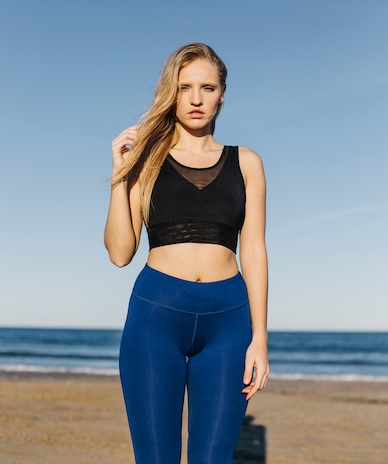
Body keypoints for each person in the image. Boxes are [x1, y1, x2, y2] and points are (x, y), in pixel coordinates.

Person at [104, 43, 269, 464]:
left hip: (228, 323)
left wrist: (260, 338)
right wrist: (119, 176)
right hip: (155, 320)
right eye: (185, 88)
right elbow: (121, 253)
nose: (196, 99)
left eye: (207, 87)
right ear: (171, 94)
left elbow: (253, 250)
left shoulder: (247, 162)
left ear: (222, 94)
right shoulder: (147, 161)